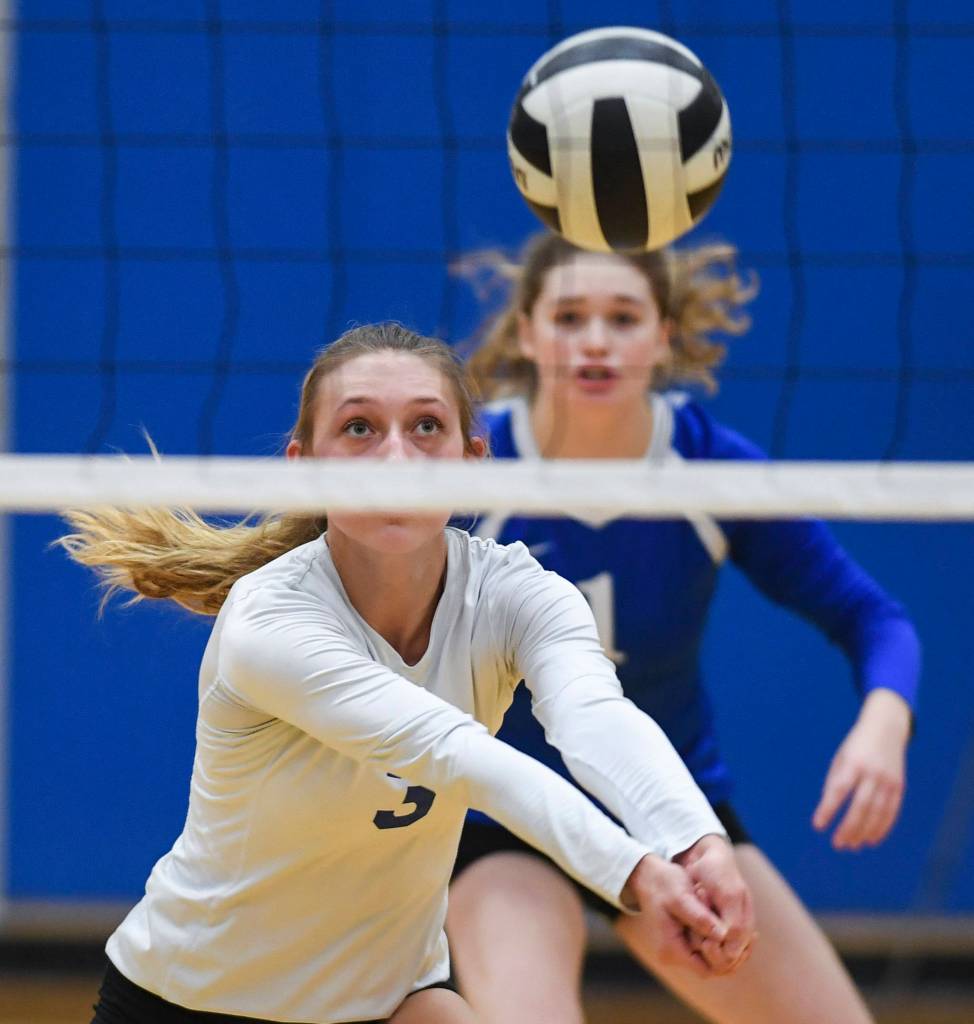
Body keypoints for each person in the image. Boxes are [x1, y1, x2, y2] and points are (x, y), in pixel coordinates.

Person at [60, 323, 755, 1024]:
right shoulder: (271, 619)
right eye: (360, 428)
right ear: (305, 466)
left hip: (390, 1002)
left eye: (427, 426)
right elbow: (455, 754)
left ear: (472, 459)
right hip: (195, 1003)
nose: (396, 456)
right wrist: (636, 874)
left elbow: (596, 717)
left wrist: (696, 841)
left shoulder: (518, 592)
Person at [447, 234, 920, 1024]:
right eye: (569, 317)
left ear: (663, 336)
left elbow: (874, 617)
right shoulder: (469, 468)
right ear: (526, 333)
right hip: (506, 818)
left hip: (672, 815)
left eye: (622, 317)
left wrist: (884, 722)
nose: (595, 339)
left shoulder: (706, 468)